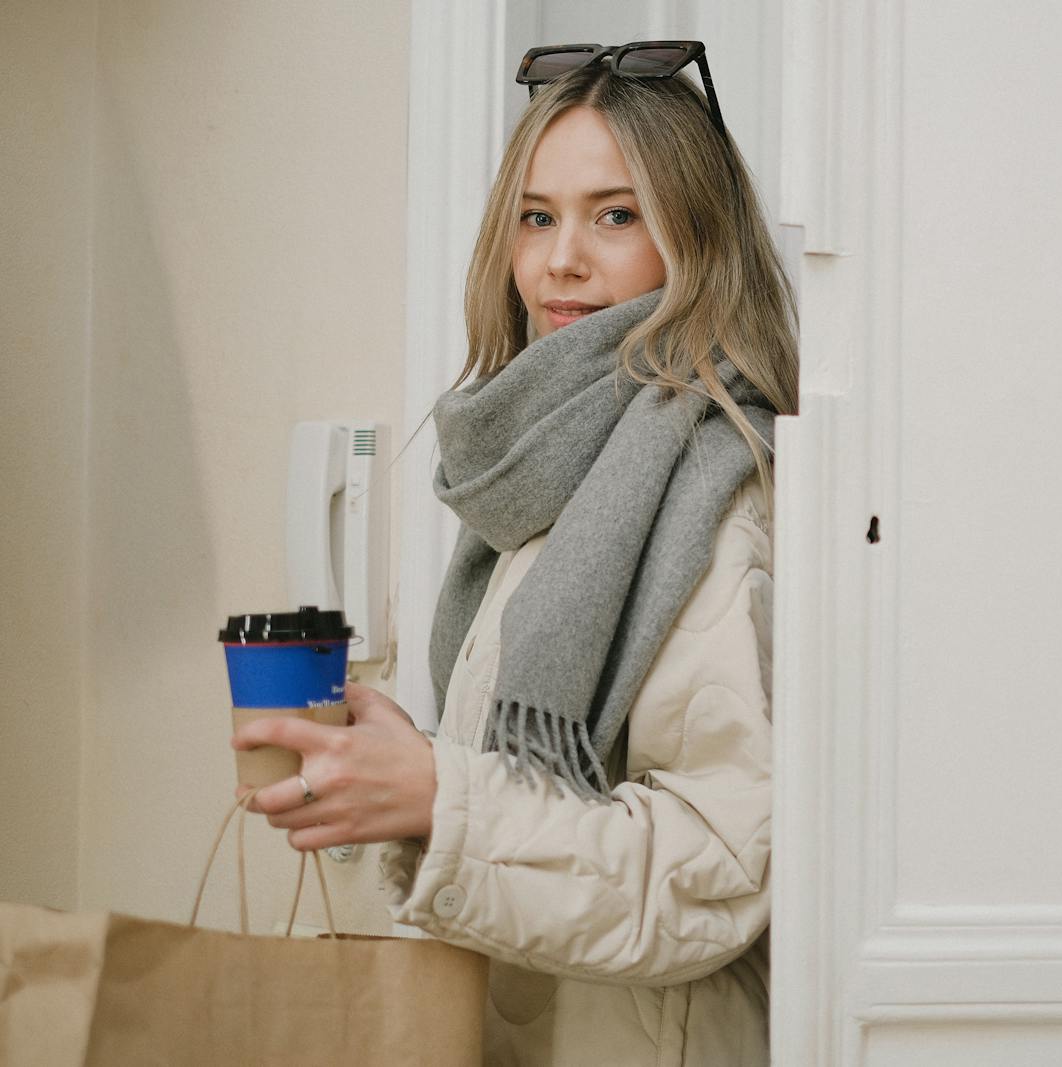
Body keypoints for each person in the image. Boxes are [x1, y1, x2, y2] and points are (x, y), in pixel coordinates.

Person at [232, 40, 797, 1065]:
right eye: (536, 217)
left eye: (615, 215)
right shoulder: (550, 468)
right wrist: (411, 767)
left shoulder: (714, 489)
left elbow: (722, 865)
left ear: (698, 241)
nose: (560, 259)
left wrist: (443, 798)